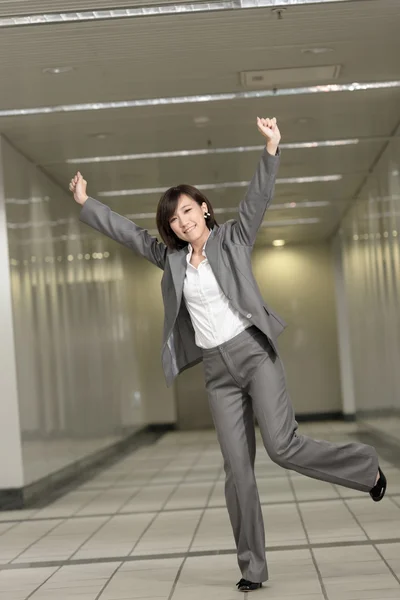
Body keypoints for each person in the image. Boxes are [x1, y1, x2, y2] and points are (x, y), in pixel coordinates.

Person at [69, 117, 386, 592]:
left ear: (204, 208)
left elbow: (257, 199)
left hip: (255, 354)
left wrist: (271, 149)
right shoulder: (172, 259)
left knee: (282, 447)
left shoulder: (233, 239)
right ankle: (252, 570)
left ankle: (365, 468)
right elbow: (131, 235)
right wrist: (86, 204)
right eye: (174, 218)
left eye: (188, 211)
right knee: (238, 472)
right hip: (217, 370)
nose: (183, 221)